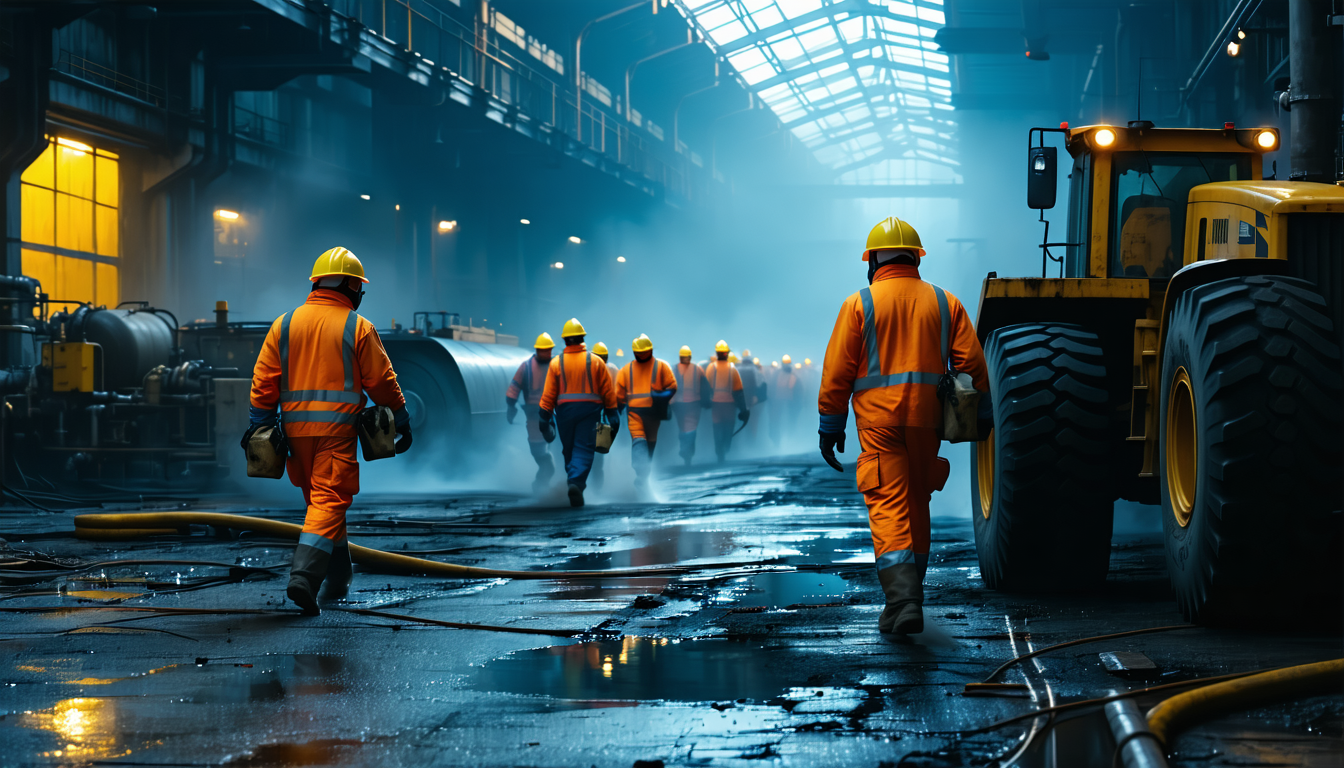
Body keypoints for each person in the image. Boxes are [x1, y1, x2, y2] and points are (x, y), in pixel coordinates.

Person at [818, 216, 987, 636]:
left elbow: (838, 371)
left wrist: (830, 424)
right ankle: (907, 600)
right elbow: (971, 364)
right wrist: (979, 413)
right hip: (927, 421)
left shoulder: (859, 304)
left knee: (888, 505)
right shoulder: (944, 301)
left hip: (879, 423)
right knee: (916, 506)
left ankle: (903, 599)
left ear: (873, 260)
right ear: (915, 257)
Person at [247, 247, 413, 615]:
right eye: (360, 288)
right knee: (328, 502)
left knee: (320, 504)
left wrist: (260, 426)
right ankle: (303, 578)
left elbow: (263, 380)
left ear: (318, 281)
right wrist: (400, 417)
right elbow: (382, 382)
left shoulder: (284, 324)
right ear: (351, 286)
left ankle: (339, 577)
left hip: (293, 434)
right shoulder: (358, 327)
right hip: (336, 433)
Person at [536, 318, 619, 507]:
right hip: (590, 412)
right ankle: (576, 482)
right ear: (582, 338)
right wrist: (612, 413)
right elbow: (607, 391)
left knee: (569, 449)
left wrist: (544, 417)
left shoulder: (557, 363)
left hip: (564, 413)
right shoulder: (596, 362)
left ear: (565, 340)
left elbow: (549, 394)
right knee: (584, 448)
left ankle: (573, 480)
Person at [616, 333, 677, 491]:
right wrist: (661, 396)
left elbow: (619, 397)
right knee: (642, 442)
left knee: (645, 443)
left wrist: (616, 411)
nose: (642, 355)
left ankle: (642, 475)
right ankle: (641, 474)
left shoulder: (626, 370)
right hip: (645, 412)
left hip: (647, 411)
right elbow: (672, 387)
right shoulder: (660, 366)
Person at [506, 333, 557, 491]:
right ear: (537, 350)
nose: (546, 354)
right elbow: (514, 387)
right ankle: (542, 481)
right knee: (540, 452)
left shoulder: (556, 366)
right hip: (535, 415)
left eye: (548, 350)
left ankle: (550, 478)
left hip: (554, 414)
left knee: (559, 448)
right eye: (543, 351)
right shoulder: (526, 367)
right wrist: (511, 406)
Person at [704, 340, 749, 462]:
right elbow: (738, 391)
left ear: (717, 353)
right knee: (728, 428)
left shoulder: (710, 368)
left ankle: (719, 452)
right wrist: (743, 409)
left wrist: (706, 403)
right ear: (727, 354)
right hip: (729, 404)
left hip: (715, 404)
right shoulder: (732, 369)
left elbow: (705, 387)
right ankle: (725, 448)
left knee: (717, 427)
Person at [590, 341, 621, 489]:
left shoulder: (589, 368)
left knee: (595, 454)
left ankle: (594, 486)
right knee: (599, 454)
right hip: (603, 417)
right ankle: (597, 486)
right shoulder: (613, 369)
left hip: (595, 415)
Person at [671, 345, 708, 465]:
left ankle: (685, 451)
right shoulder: (697, 369)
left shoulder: (674, 369)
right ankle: (687, 452)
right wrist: (706, 401)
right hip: (694, 402)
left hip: (678, 403)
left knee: (683, 428)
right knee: (691, 428)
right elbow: (705, 387)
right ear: (690, 357)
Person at [773, 354, 801, 443]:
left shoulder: (793, 375)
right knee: (781, 422)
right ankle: (780, 440)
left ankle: (788, 440)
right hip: (781, 404)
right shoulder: (778, 374)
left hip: (788, 404)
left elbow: (799, 391)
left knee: (788, 422)